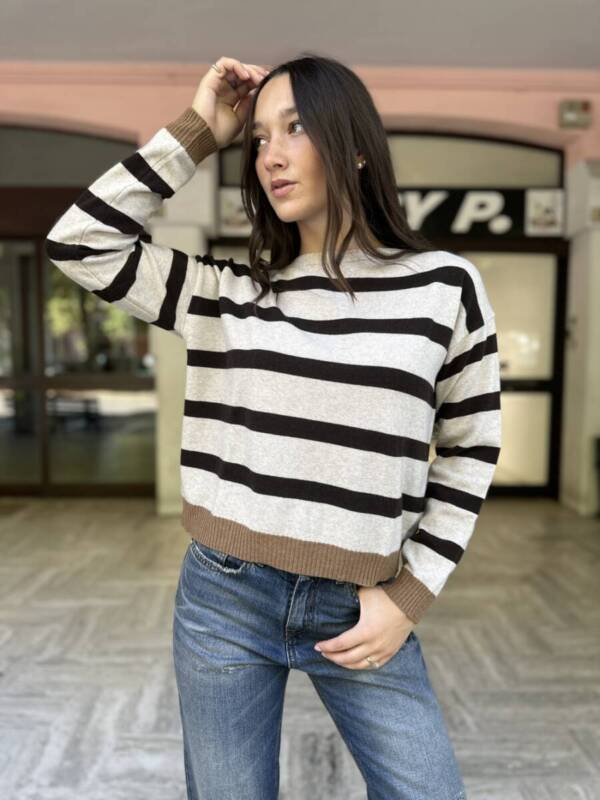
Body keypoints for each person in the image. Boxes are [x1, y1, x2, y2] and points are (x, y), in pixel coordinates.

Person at [45, 52, 502, 800]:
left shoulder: (443, 287)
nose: (270, 156)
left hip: (361, 600)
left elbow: (471, 445)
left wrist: (411, 593)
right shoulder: (227, 295)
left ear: (354, 144)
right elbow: (79, 243)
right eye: (258, 138)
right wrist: (199, 131)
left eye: (294, 129)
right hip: (224, 596)